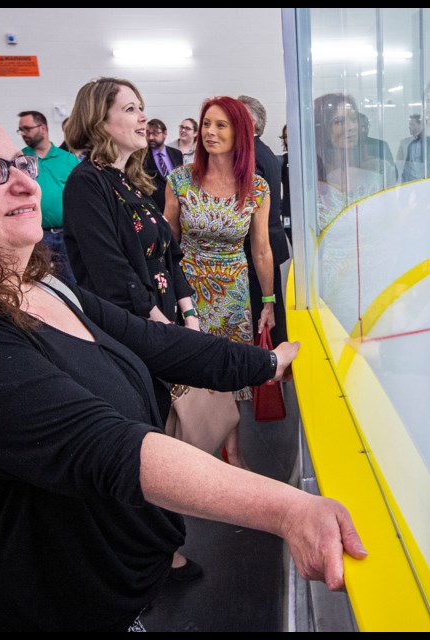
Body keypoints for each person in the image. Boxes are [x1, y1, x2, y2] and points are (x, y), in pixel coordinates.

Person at [0, 84, 366, 632]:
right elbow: (105, 446)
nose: (25, 181)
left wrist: (263, 363)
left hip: (106, 602)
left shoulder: (41, 286)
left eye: (19, 162)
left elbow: (153, 342)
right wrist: (290, 509)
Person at [62, 78, 202, 581]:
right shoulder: (87, 182)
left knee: (163, 432)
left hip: (161, 323)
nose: (143, 117)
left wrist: (188, 308)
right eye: (130, 108)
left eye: (142, 107)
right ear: (100, 120)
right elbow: (109, 271)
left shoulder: (132, 181)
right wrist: (157, 321)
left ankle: (162, 545)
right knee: (146, 441)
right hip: (132, 331)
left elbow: (167, 252)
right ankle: (156, 554)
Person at [164, 96, 274, 469]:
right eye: (206, 124)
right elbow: (167, 242)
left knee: (229, 373)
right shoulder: (179, 180)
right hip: (189, 288)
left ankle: (233, 448)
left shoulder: (256, 188)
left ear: (240, 133)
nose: (209, 132)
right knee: (192, 368)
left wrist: (269, 302)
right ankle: (192, 448)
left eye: (220, 125)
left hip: (234, 292)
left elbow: (261, 251)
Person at [237, 94, 290, 347]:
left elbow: (248, 207)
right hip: (268, 240)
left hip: (259, 244)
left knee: (263, 311)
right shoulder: (262, 151)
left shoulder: (251, 155)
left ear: (252, 122)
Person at [314, 92, 397, 229]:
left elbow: (393, 221)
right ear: (323, 128)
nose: (350, 127)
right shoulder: (311, 177)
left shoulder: (380, 171)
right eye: (339, 121)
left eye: (354, 119)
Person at [17, 110, 81, 285]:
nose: (24, 134)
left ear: (43, 128)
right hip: (37, 235)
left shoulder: (68, 159)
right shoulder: (20, 159)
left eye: (27, 129)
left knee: (72, 281)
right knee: (39, 283)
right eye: (21, 130)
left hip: (67, 233)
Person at [143, 118, 183, 211]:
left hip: (176, 206)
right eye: (148, 133)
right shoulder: (142, 157)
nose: (151, 137)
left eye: (155, 133)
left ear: (165, 134)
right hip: (155, 208)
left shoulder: (177, 154)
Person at [397, 112, 430, 183]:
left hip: (426, 182)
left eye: (412, 124)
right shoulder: (404, 142)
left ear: (421, 126)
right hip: (407, 182)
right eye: (409, 124)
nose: (409, 127)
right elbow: (399, 164)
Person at [357, 112, 396, 183]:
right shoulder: (346, 149)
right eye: (361, 126)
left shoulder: (380, 145)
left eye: (366, 126)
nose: (364, 130)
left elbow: (393, 172)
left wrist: (376, 163)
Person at [279, 124, 292, 243]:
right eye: (286, 136)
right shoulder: (283, 161)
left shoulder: (313, 158)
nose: (289, 139)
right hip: (288, 213)